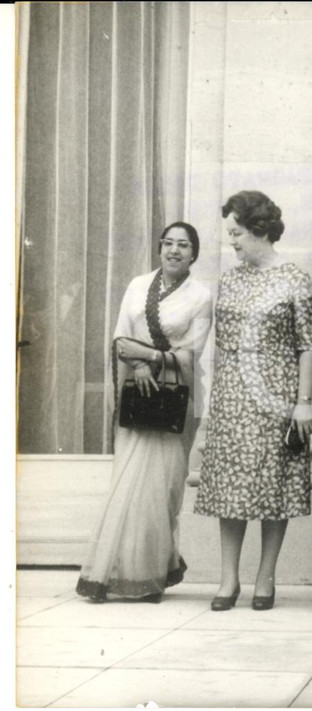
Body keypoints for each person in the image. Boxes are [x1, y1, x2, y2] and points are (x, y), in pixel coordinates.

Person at [194, 191, 312, 612]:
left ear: (260, 230)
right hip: (232, 394)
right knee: (230, 487)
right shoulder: (229, 279)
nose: (231, 241)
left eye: (236, 232)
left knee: (273, 486)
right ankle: (228, 579)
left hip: (277, 393)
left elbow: (308, 344)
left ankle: (266, 578)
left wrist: (303, 402)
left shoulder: (294, 278)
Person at [77, 222, 213, 603]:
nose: (174, 250)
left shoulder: (200, 296)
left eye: (183, 245)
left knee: (163, 489)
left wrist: (150, 356)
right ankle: (113, 573)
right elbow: (121, 337)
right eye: (168, 243)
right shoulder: (138, 286)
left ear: (193, 253)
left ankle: (152, 574)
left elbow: (192, 352)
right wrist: (136, 366)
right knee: (129, 483)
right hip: (138, 394)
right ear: (159, 248)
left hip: (175, 397)